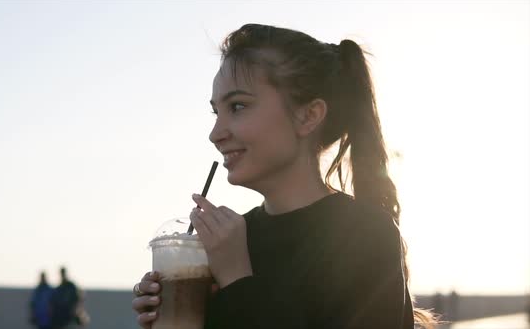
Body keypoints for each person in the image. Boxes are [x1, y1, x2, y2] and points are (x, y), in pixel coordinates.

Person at [132, 23, 436, 329]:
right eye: (216, 112)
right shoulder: (230, 242)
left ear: (308, 116)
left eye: (238, 106)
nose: (215, 134)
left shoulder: (366, 233)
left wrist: (238, 280)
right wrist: (172, 314)